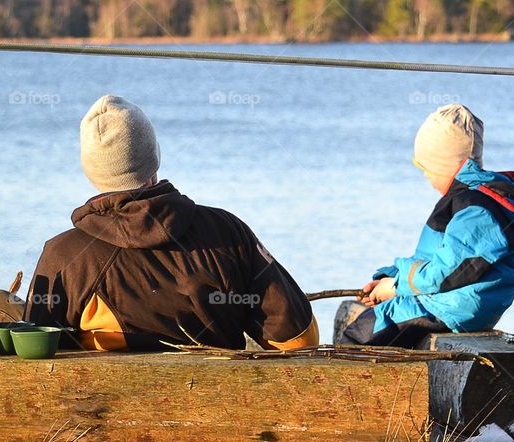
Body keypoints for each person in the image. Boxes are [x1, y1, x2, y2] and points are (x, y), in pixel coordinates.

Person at [24, 95, 318, 352]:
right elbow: (298, 341)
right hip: (218, 410)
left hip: (103, 414)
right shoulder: (227, 232)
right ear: (154, 157)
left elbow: (35, 351)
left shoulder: (62, 257)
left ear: (90, 170)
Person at [340, 104, 514, 348]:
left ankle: (346, 384)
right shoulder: (462, 200)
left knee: (360, 335)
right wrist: (391, 277)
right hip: (448, 301)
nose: (425, 175)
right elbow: (432, 259)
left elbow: (447, 274)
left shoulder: (476, 211)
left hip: (454, 307)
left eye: (425, 167)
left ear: (447, 165)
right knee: (372, 324)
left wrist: (398, 288)